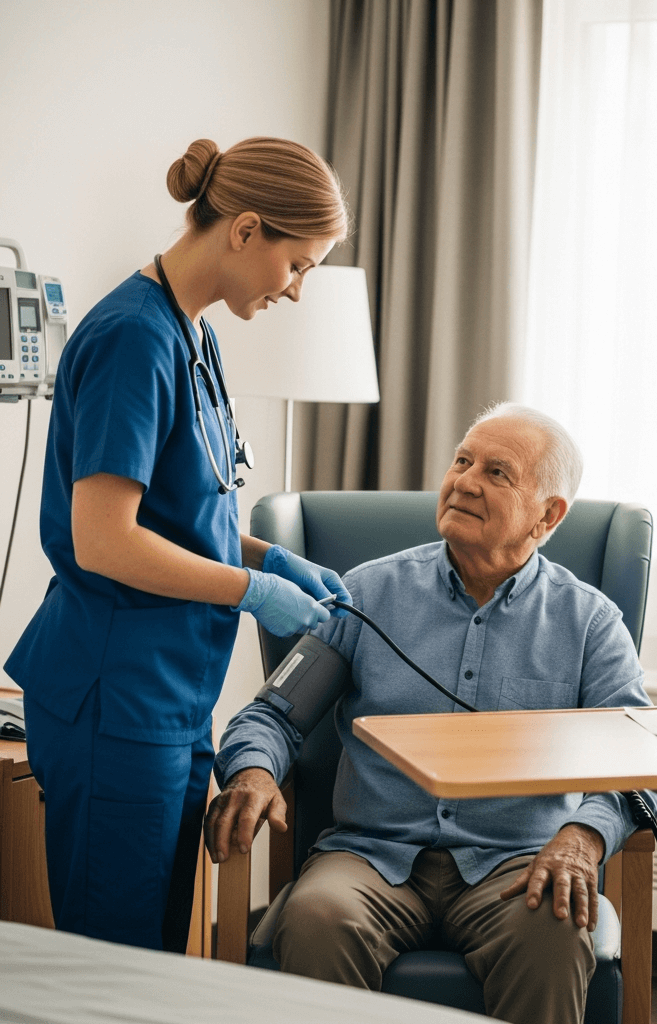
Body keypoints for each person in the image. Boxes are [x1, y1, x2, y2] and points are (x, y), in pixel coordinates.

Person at [205, 403, 657, 1024]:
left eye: (498, 473)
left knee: (553, 935)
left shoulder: (587, 622)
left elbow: (639, 761)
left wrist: (584, 837)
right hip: (371, 856)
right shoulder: (366, 593)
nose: (466, 481)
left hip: (514, 864)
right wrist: (255, 771)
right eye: (461, 461)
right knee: (317, 919)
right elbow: (273, 715)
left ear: (548, 515)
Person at [4, 137, 354, 953]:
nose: (297, 291)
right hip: (115, 699)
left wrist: (267, 558)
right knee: (114, 965)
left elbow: (181, 519)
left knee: (157, 955)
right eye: (297, 265)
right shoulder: (134, 338)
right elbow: (105, 542)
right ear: (245, 230)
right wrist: (249, 591)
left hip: (170, 701)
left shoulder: (194, 335)